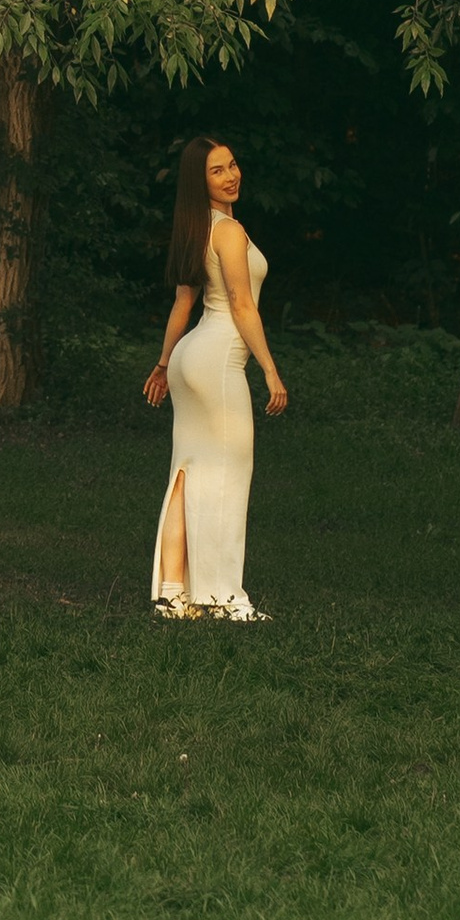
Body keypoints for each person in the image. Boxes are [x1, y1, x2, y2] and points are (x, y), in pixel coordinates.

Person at [143, 134, 286, 620]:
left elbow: (184, 302)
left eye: (232, 165)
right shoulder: (227, 231)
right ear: (198, 181)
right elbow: (242, 305)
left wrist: (165, 365)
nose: (231, 176)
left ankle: (172, 595)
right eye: (217, 171)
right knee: (227, 476)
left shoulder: (193, 228)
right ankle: (223, 599)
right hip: (219, 358)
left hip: (190, 358)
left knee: (187, 474)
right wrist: (269, 369)